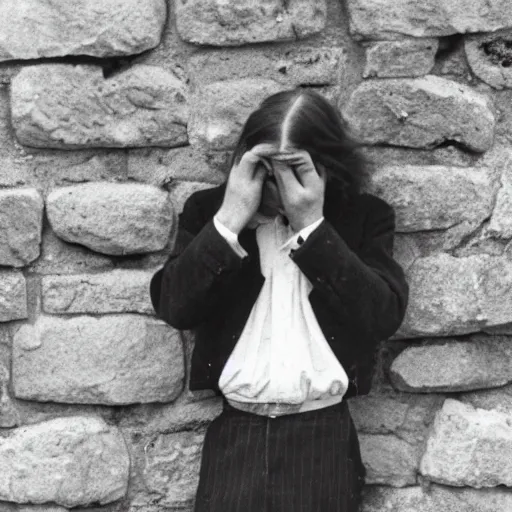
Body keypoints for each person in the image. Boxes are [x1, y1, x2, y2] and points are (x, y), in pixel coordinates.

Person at [150, 89, 409, 512]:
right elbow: (175, 307)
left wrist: (312, 225)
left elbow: (382, 315)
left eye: (295, 172)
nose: (280, 189)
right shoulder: (210, 213)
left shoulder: (363, 217)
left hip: (323, 438)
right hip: (238, 436)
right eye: (267, 172)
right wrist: (230, 220)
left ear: (329, 165)